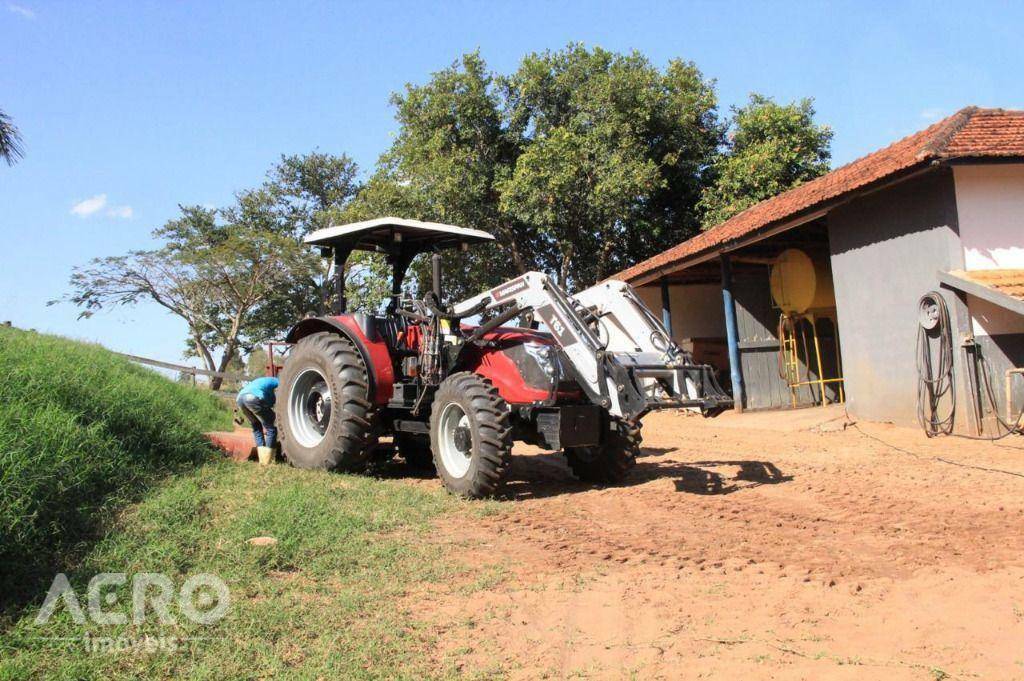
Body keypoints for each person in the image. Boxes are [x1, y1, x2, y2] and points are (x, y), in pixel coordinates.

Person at [236, 376, 279, 450]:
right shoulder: (276, 381)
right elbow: (285, 384)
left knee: (256, 426)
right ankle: (268, 457)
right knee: (271, 427)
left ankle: (262, 456)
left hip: (240, 399)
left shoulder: (264, 384)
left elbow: (269, 402)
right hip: (252, 397)